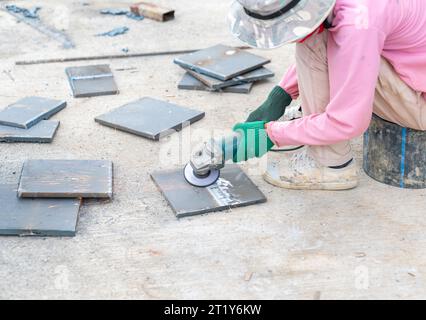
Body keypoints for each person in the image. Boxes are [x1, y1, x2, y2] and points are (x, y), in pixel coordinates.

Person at [229, 0, 426, 190]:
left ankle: (330, 165)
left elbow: (348, 121)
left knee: (313, 38)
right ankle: (312, 123)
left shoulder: (359, 21)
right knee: (318, 31)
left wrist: (271, 134)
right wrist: (280, 95)